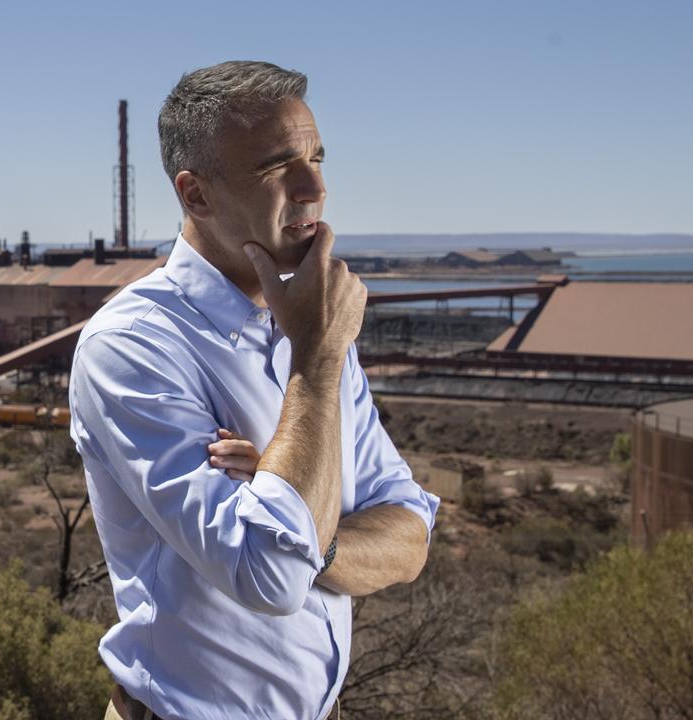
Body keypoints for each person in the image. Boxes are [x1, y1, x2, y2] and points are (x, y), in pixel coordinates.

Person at [69, 60, 440, 720]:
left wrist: (308, 535)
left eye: (318, 158)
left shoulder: (305, 323)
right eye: (278, 167)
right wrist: (318, 367)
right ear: (197, 196)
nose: (315, 187)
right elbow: (268, 577)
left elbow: (410, 535)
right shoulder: (133, 345)